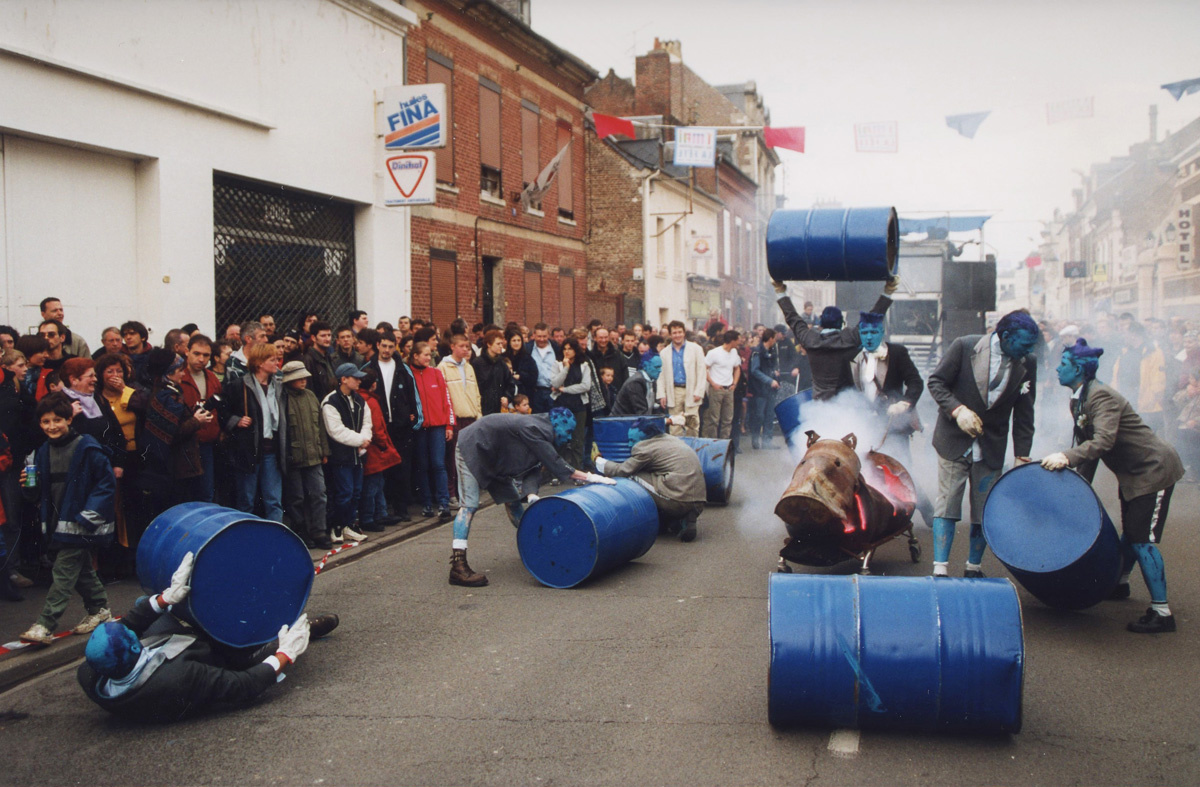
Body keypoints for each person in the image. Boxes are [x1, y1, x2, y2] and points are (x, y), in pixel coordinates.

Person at [78, 551, 339, 722]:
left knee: (144, 605)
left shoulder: (92, 672)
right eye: (129, 636)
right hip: (209, 664)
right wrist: (286, 653)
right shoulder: (177, 679)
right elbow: (243, 685)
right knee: (257, 652)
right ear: (135, 650)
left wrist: (165, 598)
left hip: (168, 653)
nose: (127, 627)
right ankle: (297, 632)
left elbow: (129, 626)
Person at [1041, 339, 1185, 633]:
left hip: (1153, 469)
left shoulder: (1101, 396)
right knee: (1132, 531)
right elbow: (1089, 446)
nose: (1057, 369)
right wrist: (1078, 486)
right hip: (1133, 473)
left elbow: (1102, 442)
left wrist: (1066, 458)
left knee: (1141, 538)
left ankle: (1162, 613)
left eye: (1064, 364)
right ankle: (1119, 584)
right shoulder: (1080, 397)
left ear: (1079, 369)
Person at [926, 310, 1039, 578]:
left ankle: (973, 567)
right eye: (1024, 345)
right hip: (953, 440)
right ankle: (940, 569)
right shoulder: (964, 346)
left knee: (985, 508)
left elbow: (1025, 413)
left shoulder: (1028, 362)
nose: (1028, 351)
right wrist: (958, 411)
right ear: (1006, 336)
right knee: (948, 503)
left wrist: (1022, 455)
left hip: (992, 446)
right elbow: (936, 382)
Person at [448, 408, 616, 586]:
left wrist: (532, 495)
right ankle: (458, 566)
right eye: (567, 432)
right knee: (469, 506)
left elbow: (534, 470)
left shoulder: (541, 433)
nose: (568, 438)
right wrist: (593, 477)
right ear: (557, 425)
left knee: (513, 502)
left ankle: (538, 547)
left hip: (495, 459)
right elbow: (555, 463)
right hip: (473, 446)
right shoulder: (535, 429)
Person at [18, 394, 115, 645]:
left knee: (63, 573)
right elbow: (36, 493)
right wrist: (28, 487)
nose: (51, 426)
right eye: (45, 421)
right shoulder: (42, 451)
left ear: (70, 419)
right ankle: (99, 609)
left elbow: (105, 484)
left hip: (81, 523)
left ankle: (45, 624)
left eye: (57, 420)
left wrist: (88, 515)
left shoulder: (87, 447)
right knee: (81, 570)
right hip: (57, 523)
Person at [849, 311, 934, 525]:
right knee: (868, 468)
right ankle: (883, 513)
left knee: (901, 468)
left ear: (882, 332)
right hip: (868, 423)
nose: (868, 337)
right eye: (864, 332)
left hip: (894, 422)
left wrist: (905, 403)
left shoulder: (897, 353)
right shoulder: (855, 358)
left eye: (873, 332)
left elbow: (916, 382)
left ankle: (926, 510)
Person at [773, 278, 899, 400]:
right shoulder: (850, 337)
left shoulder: (810, 339)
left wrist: (780, 290)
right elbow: (873, 317)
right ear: (841, 323)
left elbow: (792, 318)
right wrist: (888, 291)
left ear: (821, 323)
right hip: (847, 402)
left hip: (821, 404)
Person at [594, 417, 707, 542]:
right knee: (655, 475)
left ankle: (661, 519)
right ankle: (682, 518)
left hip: (677, 499)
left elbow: (621, 471)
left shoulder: (645, 448)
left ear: (645, 438)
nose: (630, 444)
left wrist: (598, 461)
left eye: (632, 440)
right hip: (698, 501)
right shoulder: (671, 439)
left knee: (633, 475)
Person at [138, 349, 209, 520]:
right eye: (179, 371)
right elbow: (172, 434)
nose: (183, 374)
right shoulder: (166, 397)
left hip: (175, 467)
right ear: (169, 374)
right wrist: (196, 421)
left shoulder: (163, 392)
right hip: (177, 467)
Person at [221, 343, 287, 523]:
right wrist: (236, 421)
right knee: (246, 500)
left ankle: (276, 539)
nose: (277, 363)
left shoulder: (278, 387)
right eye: (272, 360)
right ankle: (246, 539)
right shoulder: (239, 385)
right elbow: (223, 413)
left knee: (274, 500)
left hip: (272, 451)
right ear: (259, 363)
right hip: (249, 451)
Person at [366, 332, 421, 523]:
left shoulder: (402, 368)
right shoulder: (369, 367)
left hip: (401, 424)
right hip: (379, 425)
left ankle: (401, 507)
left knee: (402, 467)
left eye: (391, 346)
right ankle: (384, 509)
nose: (387, 350)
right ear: (378, 345)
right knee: (382, 468)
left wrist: (413, 417)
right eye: (384, 346)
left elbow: (412, 393)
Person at [280, 361, 330, 549]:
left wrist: (324, 450)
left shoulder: (311, 396)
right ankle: (300, 531)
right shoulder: (283, 399)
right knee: (297, 497)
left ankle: (319, 531)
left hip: (314, 455)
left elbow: (320, 426)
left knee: (319, 493)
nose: (303, 381)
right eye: (299, 378)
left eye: (304, 378)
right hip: (294, 456)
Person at [321, 363, 372, 543]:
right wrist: (360, 440)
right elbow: (336, 431)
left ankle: (348, 525)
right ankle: (336, 527)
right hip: (340, 456)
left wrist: (364, 440)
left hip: (357, 455)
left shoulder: (360, 400)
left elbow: (367, 423)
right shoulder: (330, 402)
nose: (359, 381)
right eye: (355, 378)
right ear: (343, 379)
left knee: (356, 492)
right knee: (344, 492)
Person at [409, 342, 454, 521]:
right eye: (425, 355)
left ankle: (443, 503)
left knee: (438, 464)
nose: (429, 358)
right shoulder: (409, 374)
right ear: (415, 356)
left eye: (430, 355)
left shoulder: (436, 374)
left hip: (437, 426)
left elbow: (446, 400)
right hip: (420, 428)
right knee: (422, 465)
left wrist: (449, 425)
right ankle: (427, 504)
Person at [178, 335, 222, 503]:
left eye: (206, 355)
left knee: (207, 492)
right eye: (197, 353)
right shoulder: (179, 377)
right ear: (187, 352)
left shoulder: (212, 377)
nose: (201, 359)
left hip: (208, 443)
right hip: (186, 444)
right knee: (187, 494)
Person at [439, 335, 482, 505]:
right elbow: (443, 396)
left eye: (468, 346)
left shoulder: (469, 367)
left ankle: (467, 494)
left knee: (469, 458)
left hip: (471, 418)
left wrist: (478, 415)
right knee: (453, 459)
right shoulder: (443, 367)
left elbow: (476, 393)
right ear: (452, 347)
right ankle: (452, 494)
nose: (466, 350)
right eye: (462, 346)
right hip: (456, 419)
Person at [358, 372, 401, 533]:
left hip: (367, 446)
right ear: (374, 384)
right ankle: (370, 517)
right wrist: (384, 444)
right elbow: (377, 428)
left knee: (376, 481)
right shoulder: (372, 401)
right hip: (375, 448)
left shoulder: (359, 398)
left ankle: (380, 512)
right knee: (373, 483)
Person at [657, 321, 706, 437]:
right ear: (670, 335)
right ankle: (678, 452)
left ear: (684, 333)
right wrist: (661, 394)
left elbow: (701, 371)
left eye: (680, 332)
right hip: (674, 390)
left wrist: (699, 391)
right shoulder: (664, 353)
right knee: (675, 426)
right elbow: (661, 375)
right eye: (674, 333)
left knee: (692, 425)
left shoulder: (696, 349)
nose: (677, 335)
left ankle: (693, 450)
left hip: (691, 390)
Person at [550, 337, 592, 469]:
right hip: (560, 406)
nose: (567, 352)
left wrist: (564, 389)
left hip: (579, 405)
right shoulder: (557, 364)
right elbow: (554, 383)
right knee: (560, 439)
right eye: (565, 349)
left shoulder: (584, 365)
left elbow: (585, 386)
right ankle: (558, 471)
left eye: (570, 349)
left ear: (576, 350)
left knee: (577, 440)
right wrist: (565, 368)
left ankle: (577, 469)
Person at [703, 330, 741, 439]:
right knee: (714, 419)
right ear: (732, 341)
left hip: (729, 389)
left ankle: (724, 443)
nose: (739, 342)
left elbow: (737, 368)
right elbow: (704, 368)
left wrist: (734, 383)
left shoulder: (734, 353)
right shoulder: (714, 353)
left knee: (728, 419)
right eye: (737, 340)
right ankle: (713, 443)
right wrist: (713, 383)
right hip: (716, 389)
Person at [747, 328, 781, 449]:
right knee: (759, 415)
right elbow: (754, 370)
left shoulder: (771, 352)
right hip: (759, 389)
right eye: (774, 338)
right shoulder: (757, 352)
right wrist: (769, 380)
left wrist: (775, 373)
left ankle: (767, 442)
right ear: (770, 338)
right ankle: (755, 440)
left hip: (770, 389)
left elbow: (769, 367)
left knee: (769, 415)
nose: (775, 341)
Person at [528, 323, 560, 414]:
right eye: (539, 336)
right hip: (535, 393)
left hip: (553, 392)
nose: (541, 339)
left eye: (544, 336)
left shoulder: (556, 348)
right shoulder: (528, 349)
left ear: (549, 335)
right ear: (534, 335)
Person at [303, 321, 338, 400]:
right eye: (323, 336)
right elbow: (309, 390)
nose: (327, 338)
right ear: (313, 338)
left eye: (329, 335)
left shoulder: (329, 358)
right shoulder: (308, 360)